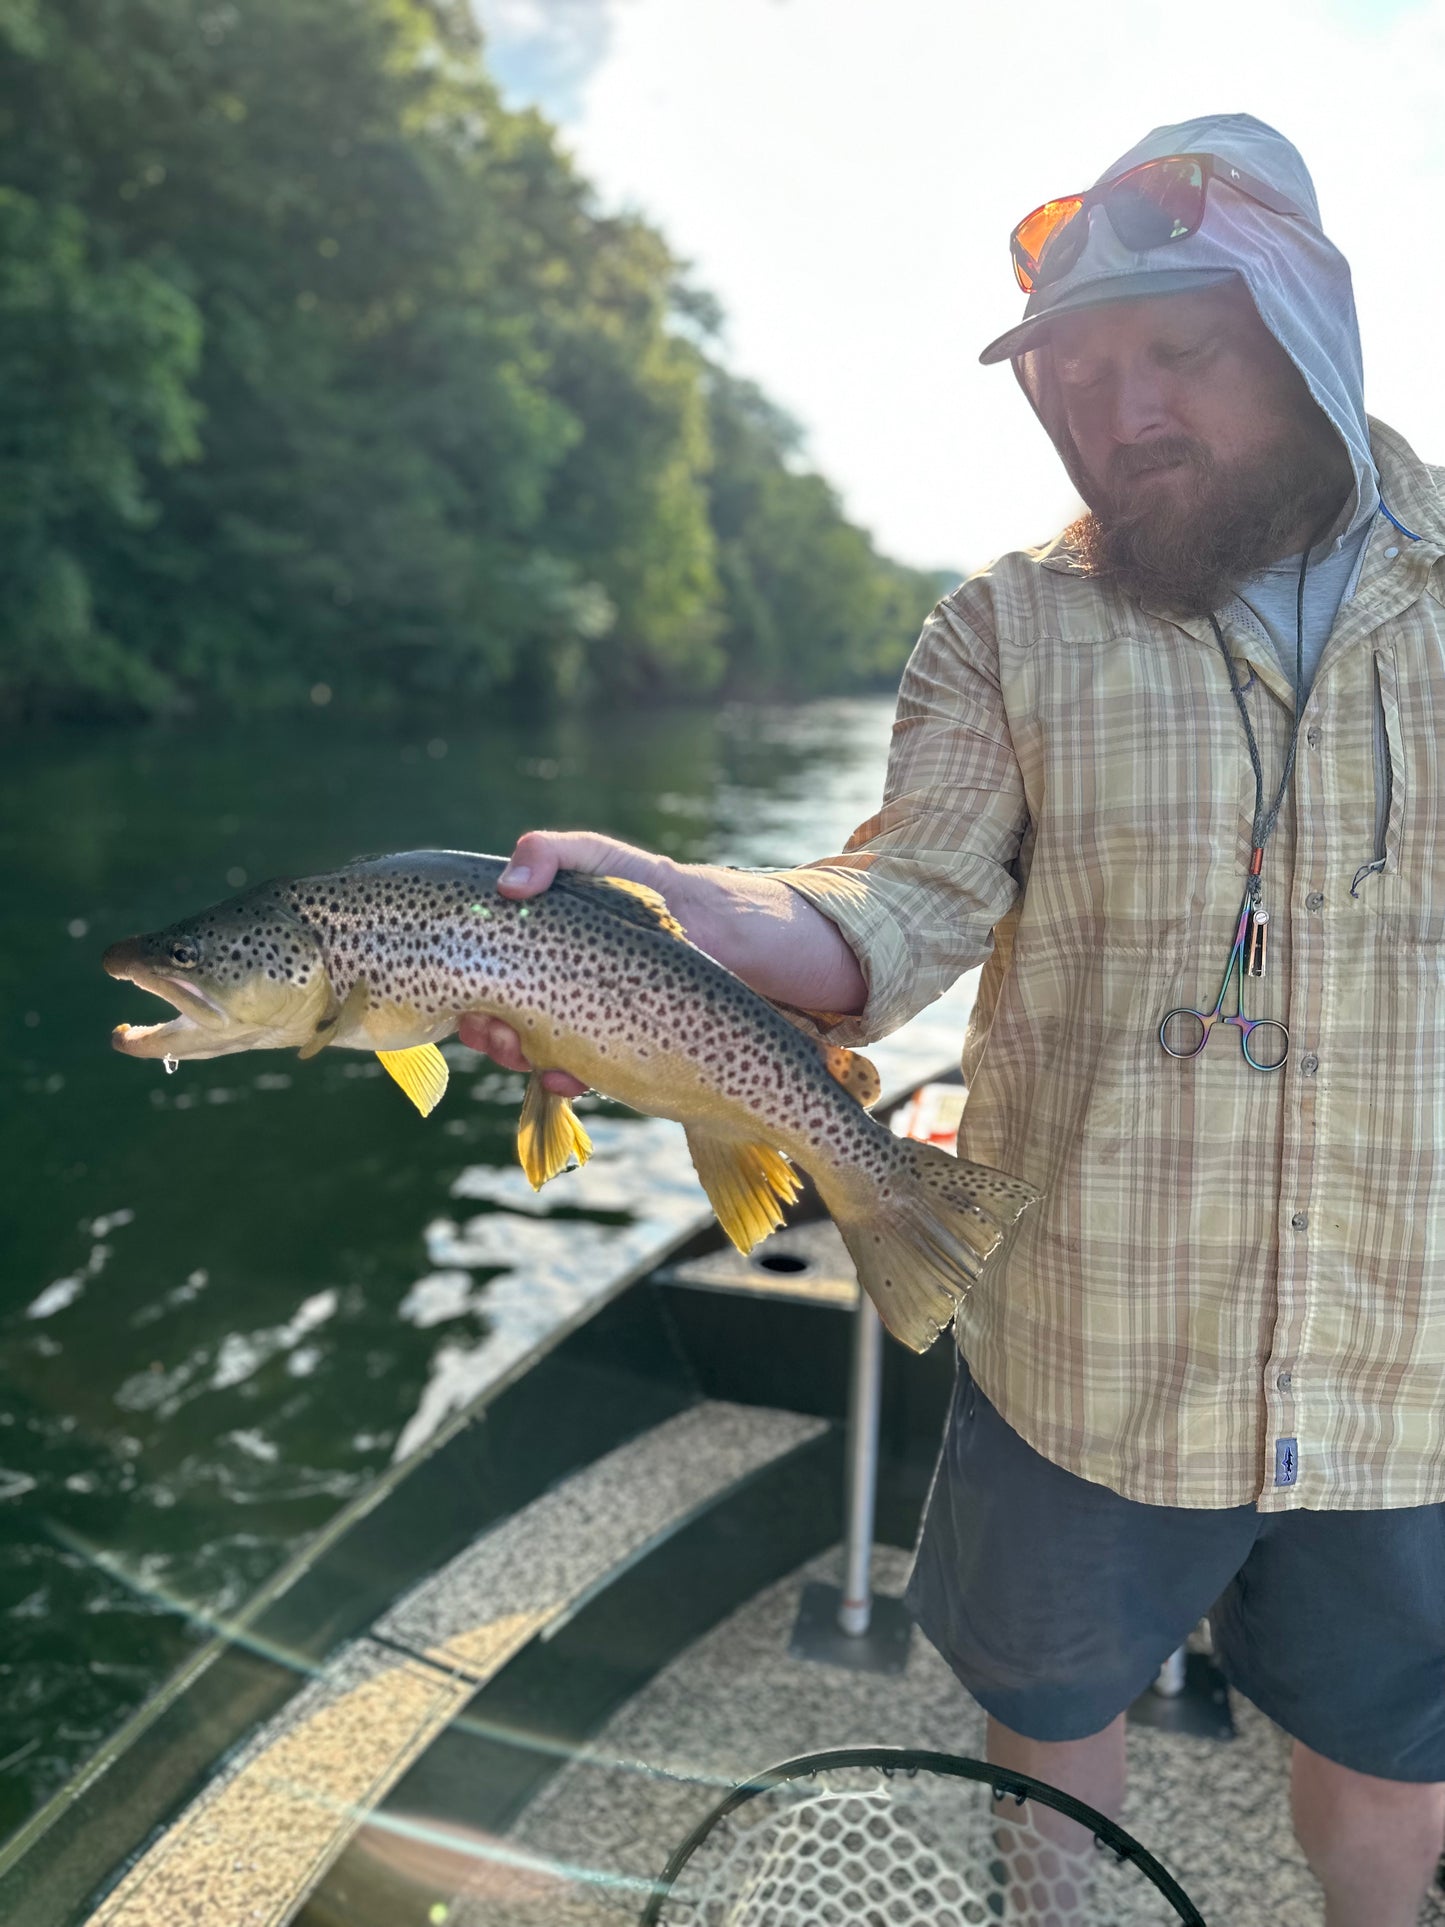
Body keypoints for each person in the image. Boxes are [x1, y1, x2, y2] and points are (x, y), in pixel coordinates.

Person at [462, 113, 1445, 1926]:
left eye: (1175, 355)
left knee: (1389, 1772)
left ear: (1309, 333)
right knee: (1045, 1711)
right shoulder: (1004, 629)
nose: (1112, 410)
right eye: (1068, 373)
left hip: (1413, 1372)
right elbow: (898, 906)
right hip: (1078, 1339)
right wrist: (712, 919)